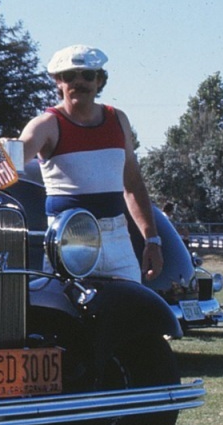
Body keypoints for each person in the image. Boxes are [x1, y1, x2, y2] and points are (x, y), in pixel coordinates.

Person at [17, 44, 163, 282]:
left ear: (99, 81)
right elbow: (15, 157)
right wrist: (2, 151)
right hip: (68, 241)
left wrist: (152, 240)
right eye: (69, 76)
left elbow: (133, 184)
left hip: (117, 241)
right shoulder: (46, 124)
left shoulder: (118, 120)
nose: (79, 82)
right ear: (58, 82)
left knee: (131, 313)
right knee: (65, 315)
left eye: (87, 75)